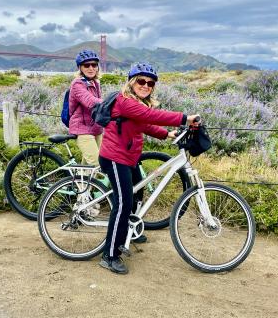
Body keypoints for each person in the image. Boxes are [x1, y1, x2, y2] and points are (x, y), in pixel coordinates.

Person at [98, 62, 200, 274]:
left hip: (129, 157)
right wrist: (184, 118)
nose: (146, 86)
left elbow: (144, 123)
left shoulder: (137, 104)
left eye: (150, 83)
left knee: (136, 195)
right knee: (123, 203)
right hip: (115, 158)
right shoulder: (124, 101)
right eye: (141, 81)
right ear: (132, 82)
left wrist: (166, 134)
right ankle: (109, 255)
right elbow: (151, 116)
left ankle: (125, 234)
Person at [68, 49, 103, 166]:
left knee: (87, 169)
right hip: (82, 129)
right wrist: (113, 103)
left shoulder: (95, 83)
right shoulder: (77, 84)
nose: (91, 68)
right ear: (80, 68)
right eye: (86, 65)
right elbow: (91, 102)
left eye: (94, 65)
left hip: (96, 128)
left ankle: (78, 184)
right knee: (97, 164)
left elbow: (100, 108)